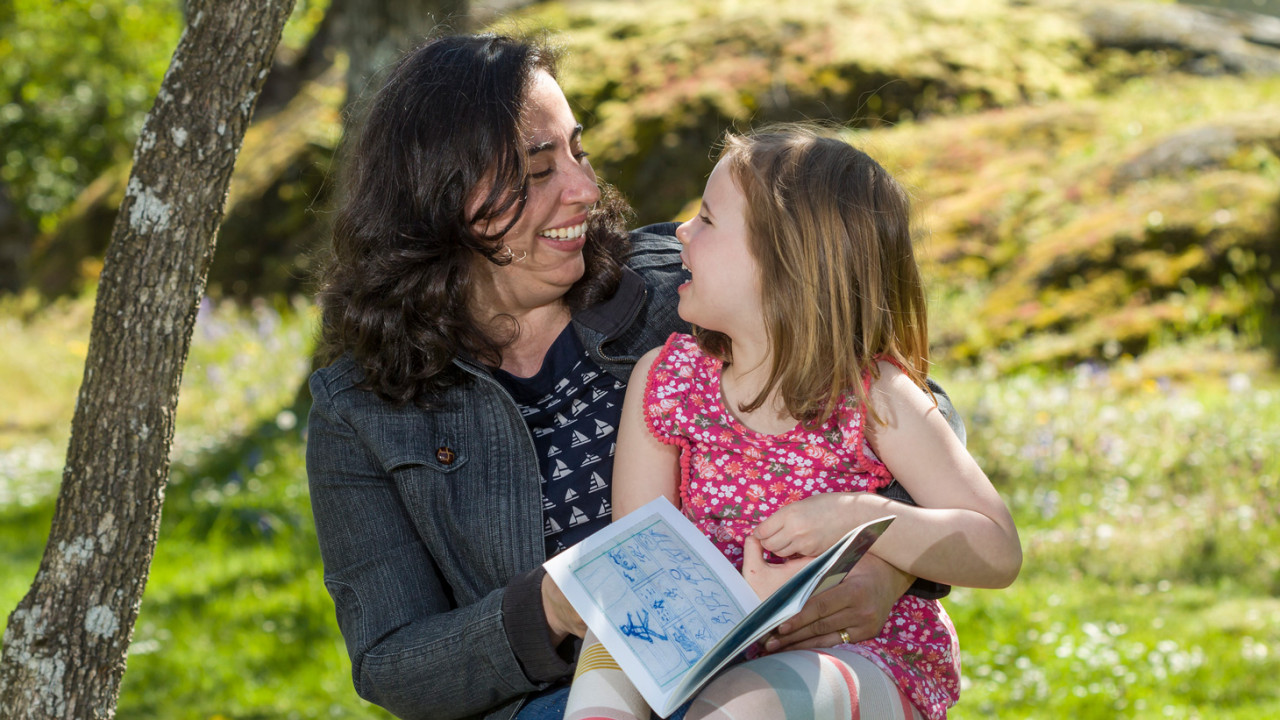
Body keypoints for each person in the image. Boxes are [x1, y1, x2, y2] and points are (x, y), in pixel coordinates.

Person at [307, 34, 965, 720]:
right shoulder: (361, 408)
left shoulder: (678, 285)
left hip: (759, 674)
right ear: (438, 193)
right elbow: (392, 663)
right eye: (536, 171)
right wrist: (553, 607)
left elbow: (908, 408)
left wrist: (884, 567)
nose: (585, 189)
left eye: (578, 151)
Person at [564, 126, 1021, 720]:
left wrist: (863, 518)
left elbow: (997, 550)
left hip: (855, 655)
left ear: (784, 264)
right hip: (707, 642)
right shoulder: (669, 380)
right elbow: (642, 557)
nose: (680, 232)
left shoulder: (874, 396)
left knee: (746, 706)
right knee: (612, 633)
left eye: (706, 219)